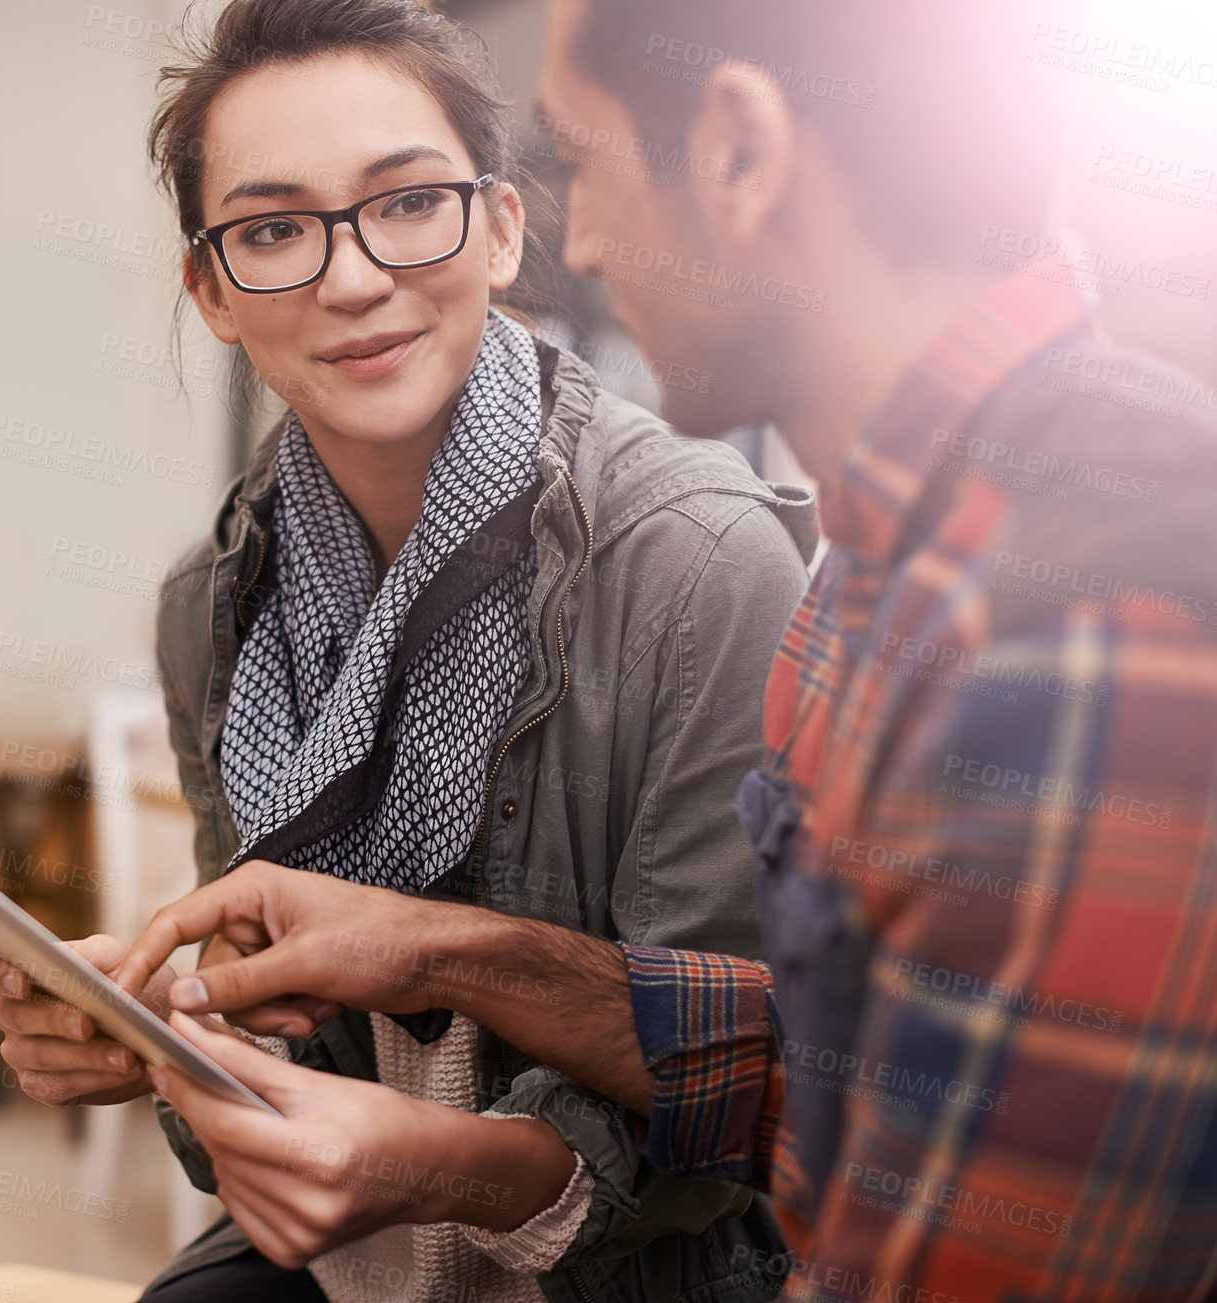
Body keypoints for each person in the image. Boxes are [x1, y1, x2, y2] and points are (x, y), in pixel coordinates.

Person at [114, 0, 1217, 1300]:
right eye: (274, 229)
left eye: (577, 161)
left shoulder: (1068, 616)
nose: (575, 241)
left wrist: (450, 1140)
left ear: (739, 152)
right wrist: (282, 993)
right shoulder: (875, 569)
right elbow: (827, 1067)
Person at [0, 0, 816, 1300]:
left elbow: (745, 1087)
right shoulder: (213, 607)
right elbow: (265, 1054)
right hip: (344, 1265)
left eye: (407, 203)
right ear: (210, 291)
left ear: (501, 226)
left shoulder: (697, 564)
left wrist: (443, 1158)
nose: (352, 277)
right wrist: (162, 1031)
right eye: (270, 231)